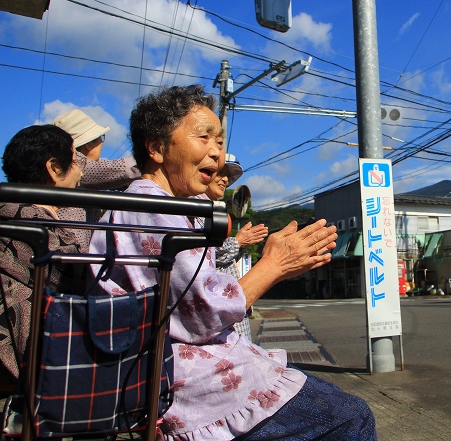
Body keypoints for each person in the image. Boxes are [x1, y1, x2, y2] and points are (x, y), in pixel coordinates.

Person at [88, 85, 376, 440]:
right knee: (351, 416)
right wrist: (272, 265)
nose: (216, 154)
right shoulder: (153, 207)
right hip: (184, 383)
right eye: (204, 137)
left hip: (194, 371)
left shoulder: (168, 207)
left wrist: (278, 265)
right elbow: (200, 315)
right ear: (157, 147)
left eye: (220, 142)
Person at [0, 125, 86, 381]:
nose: (81, 171)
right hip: (25, 378)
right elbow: (78, 279)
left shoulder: (8, 211)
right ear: (54, 168)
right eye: (74, 161)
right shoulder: (38, 229)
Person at [52, 109, 141, 251]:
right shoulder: (73, 163)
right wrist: (150, 162)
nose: (102, 143)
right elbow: (114, 169)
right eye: (101, 137)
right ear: (88, 144)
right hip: (68, 250)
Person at [203, 153, 268, 341]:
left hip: (230, 314)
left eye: (228, 176)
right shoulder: (192, 208)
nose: (225, 179)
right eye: (219, 172)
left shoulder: (213, 209)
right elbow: (202, 254)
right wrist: (237, 242)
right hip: (218, 320)